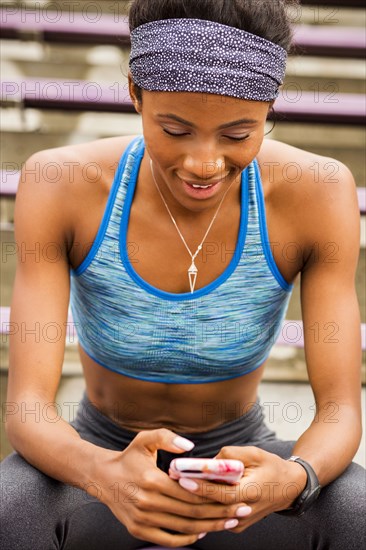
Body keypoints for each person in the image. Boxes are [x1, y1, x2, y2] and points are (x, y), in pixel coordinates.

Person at [1, 0, 365, 548]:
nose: (204, 163)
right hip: (100, 451)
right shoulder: (60, 183)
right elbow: (28, 408)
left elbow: (339, 410)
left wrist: (294, 478)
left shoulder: (317, 192)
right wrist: (104, 476)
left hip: (243, 453)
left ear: (269, 110)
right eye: (174, 129)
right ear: (134, 94)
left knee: (355, 512)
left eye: (238, 135)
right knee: (12, 513)